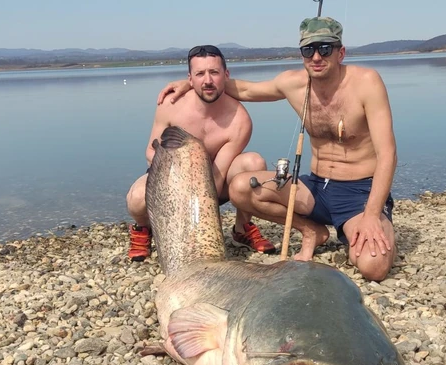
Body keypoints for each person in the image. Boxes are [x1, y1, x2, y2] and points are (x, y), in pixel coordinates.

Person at [156, 17, 398, 282]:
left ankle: (364, 223)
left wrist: (372, 214)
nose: (317, 57)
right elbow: (246, 90)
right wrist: (191, 83)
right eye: (308, 50)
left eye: (325, 48)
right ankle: (311, 230)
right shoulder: (294, 84)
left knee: (373, 267)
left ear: (341, 53)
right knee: (241, 188)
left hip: (358, 193)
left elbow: (387, 154)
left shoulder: (366, 83)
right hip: (316, 188)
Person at [126, 44, 276, 261]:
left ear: (226, 75)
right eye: (200, 74)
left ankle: (242, 229)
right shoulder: (170, 105)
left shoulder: (239, 120)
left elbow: (218, 174)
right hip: (174, 176)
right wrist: (178, 180)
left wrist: (202, 224)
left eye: (214, 72)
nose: (207, 81)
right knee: (136, 198)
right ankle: (143, 228)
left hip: (215, 179)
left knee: (254, 163)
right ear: (190, 79)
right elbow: (151, 151)